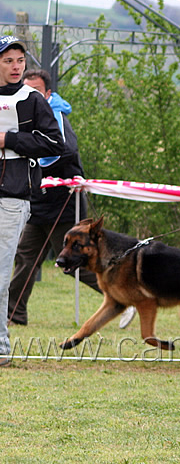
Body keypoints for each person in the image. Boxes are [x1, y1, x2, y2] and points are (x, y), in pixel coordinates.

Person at [7, 69, 102, 327]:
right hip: (36, 203)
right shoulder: (18, 113)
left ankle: (119, 296)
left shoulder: (56, 115)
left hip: (64, 203)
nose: (30, 96)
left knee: (76, 261)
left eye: (36, 92)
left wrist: (38, 163)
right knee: (25, 258)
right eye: (27, 91)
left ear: (48, 94)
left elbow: (66, 151)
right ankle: (14, 315)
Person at [0, 36, 64, 365]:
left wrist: (7, 140)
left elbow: (55, 144)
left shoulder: (33, 100)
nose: (15, 66)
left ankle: (1, 346)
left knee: (0, 273)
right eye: (8, 60)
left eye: (19, 60)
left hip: (13, 197)